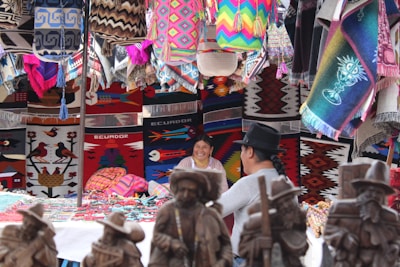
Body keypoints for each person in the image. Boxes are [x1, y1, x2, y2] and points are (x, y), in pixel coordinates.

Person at [217, 122, 292, 267]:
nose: (242, 156)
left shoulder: (249, 184)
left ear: (250, 152)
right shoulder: (287, 183)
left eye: (242, 151)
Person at [148, 167, 233, 267]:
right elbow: (157, 236)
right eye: (182, 190)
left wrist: (223, 261)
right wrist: (172, 243)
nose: (185, 194)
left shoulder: (210, 214)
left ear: (198, 192)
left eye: (191, 191)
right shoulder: (167, 210)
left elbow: (226, 244)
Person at [323, 160, 400, 267]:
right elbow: (328, 231)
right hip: (348, 260)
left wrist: (394, 248)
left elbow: (396, 240)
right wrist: (344, 238)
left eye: (378, 192)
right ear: (362, 190)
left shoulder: (391, 216)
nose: (374, 196)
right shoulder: (341, 208)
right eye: (370, 191)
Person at [239, 176, 308, 267]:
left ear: (293, 199)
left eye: (288, 200)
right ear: (276, 206)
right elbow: (243, 249)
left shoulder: (299, 217)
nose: (286, 206)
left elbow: (302, 246)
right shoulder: (260, 222)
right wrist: (260, 243)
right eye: (281, 203)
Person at [0, 203, 58, 267]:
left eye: (32, 226)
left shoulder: (44, 240)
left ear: (38, 227)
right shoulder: (10, 230)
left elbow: (52, 262)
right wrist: (9, 255)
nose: (27, 228)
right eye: (26, 223)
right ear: (23, 219)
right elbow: (2, 246)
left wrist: (39, 249)